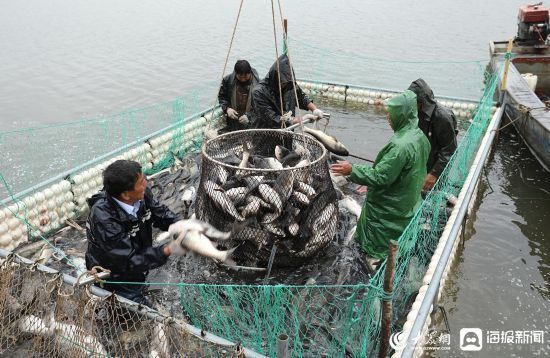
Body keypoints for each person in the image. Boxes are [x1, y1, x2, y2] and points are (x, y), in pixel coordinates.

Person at [330, 90, 430, 266]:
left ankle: (376, 260)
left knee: (377, 245)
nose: (387, 117)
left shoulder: (400, 146)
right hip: (407, 201)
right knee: (399, 234)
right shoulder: (419, 136)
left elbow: (381, 175)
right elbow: (395, 172)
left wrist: (351, 170)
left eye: (391, 114)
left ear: (402, 115)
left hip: (389, 211)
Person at [85, 160, 186, 305]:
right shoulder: (104, 218)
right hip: (115, 273)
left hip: (136, 256)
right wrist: (168, 249)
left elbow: (161, 214)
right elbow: (129, 260)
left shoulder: (141, 195)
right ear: (126, 195)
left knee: (141, 283)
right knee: (136, 313)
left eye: (144, 178)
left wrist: (182, 225)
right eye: (141, 182)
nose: (146, 183)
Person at [408, 79, 458, 191]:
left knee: (434, 192)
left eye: (413, 101)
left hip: (437, 165)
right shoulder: (417, 113)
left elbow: (450, 149)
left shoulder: (442, 117)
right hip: (423, 161)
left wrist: (434, 174)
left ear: (421, 101)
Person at [251, 54, 325, 129]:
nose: (284, 84)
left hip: (287, 132)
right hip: (265, 134)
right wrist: (298, 120)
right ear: (275, 78)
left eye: (286, 82)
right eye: (282, 82)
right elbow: (271, 118)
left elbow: (301, 97)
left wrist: (314, 109)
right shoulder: (259, 92)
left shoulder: (290, 85)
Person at [217, 60, 260, 132]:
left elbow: (261, 106)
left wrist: (249, 116)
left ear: (250, 73)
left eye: (245, 76)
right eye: (240, 76)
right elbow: (222, 97)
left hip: (251, 122)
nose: (243, 79)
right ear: (235, 73)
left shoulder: (258, 85)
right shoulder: (227, 80)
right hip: (233, 119)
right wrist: (227, 109)